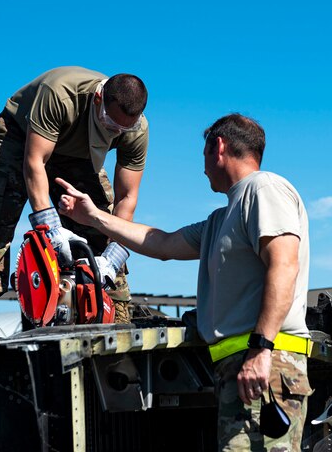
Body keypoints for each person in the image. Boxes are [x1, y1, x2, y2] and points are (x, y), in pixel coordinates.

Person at [57, 114, 312, 451]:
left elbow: (284, 266)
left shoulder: (263, 189)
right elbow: (160, 243)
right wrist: (93, 217)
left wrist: (261, 349)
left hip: (266, 364)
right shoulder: (222, 218)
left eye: (203, 156)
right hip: (244, 366)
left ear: (218, 148)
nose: (203, 168)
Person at [0, 66, 148, 339]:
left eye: (122, 128)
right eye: (110, 124)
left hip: (79, 154)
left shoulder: (137, 129)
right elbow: (34, 162)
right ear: (98, 99)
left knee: (98, 218)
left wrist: (112, 256)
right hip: (21, 135)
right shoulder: (60, 94)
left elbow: (127, 197)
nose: (115, 132)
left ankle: (117, 308)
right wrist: (51, 229)